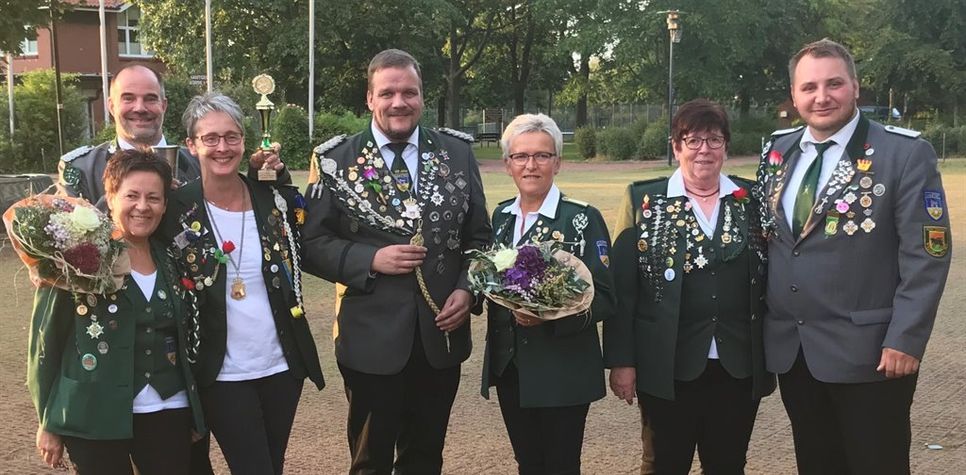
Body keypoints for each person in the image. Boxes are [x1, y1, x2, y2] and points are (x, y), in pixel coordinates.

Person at [756, 39, 952, 474]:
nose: (821, 97)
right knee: (816, 462)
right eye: (809, 87)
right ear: (793, 95)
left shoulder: (902, 153)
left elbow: (927, 254)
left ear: (856, 88)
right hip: (796, 350)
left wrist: (906, 337)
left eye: (834, 84)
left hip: (871, 353)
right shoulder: (778, 151)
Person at [302, 48, 491, 474]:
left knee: (425, 458)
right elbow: (310, 243)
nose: (399, 102)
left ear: (423, 97)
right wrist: (371, 259)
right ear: (369, 99)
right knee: (370, 461)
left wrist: (468, 288)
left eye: (409, 92)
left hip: (440, 337)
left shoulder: (457, 154)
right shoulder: (335, 159)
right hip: (371, 341)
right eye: (387, 92)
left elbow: (479, 237)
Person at [606, 99, 776, 474]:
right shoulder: (643, 199)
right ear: (676, 146)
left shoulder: (751, 200)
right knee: (664, 464)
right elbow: (624, 289)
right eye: (693, 139)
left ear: (726, 147)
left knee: (728, 464)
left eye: (714, 140)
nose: (704, 149)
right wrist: (622, 361)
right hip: (667, 365)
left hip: (738, 365)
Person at [158, 92, 324, 474]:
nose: (222, 147)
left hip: (281, 367)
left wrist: (278, 174)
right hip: (222, 373)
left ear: (244, 142)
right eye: (210, 138)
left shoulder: (269, 198)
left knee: (271, 465)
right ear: (191, 145)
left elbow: (305, 220)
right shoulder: (175, 210)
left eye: (231, 137)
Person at [30, 149, 206, 474]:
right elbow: (45, 344)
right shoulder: (75, 257)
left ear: (165, 204)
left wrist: (195, 412)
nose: (143, 206)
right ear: (110, 198)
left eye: (154, 197)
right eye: (132, 196)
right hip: (92, 413)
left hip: (168, 409)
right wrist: (48, 421)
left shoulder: (174, 258)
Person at [480, 113, 616, 475]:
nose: (531, 165)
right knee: (528, 463)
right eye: (521, 156)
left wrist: (552, 318)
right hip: (511, 366)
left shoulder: (581, 219)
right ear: (507, 164)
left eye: (542, 155)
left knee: (560, 465)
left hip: (563, 368)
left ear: (558, 161)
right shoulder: (501, 218)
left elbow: (605, 296)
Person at [57, 63, 284, 211]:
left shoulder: (200, 161)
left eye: (150, 99)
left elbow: (243, 204)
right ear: (111, 106)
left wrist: (261, 174)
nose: (140, 108)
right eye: (128, 98)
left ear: (163, 105)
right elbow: (71, 243)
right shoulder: (80, 168)